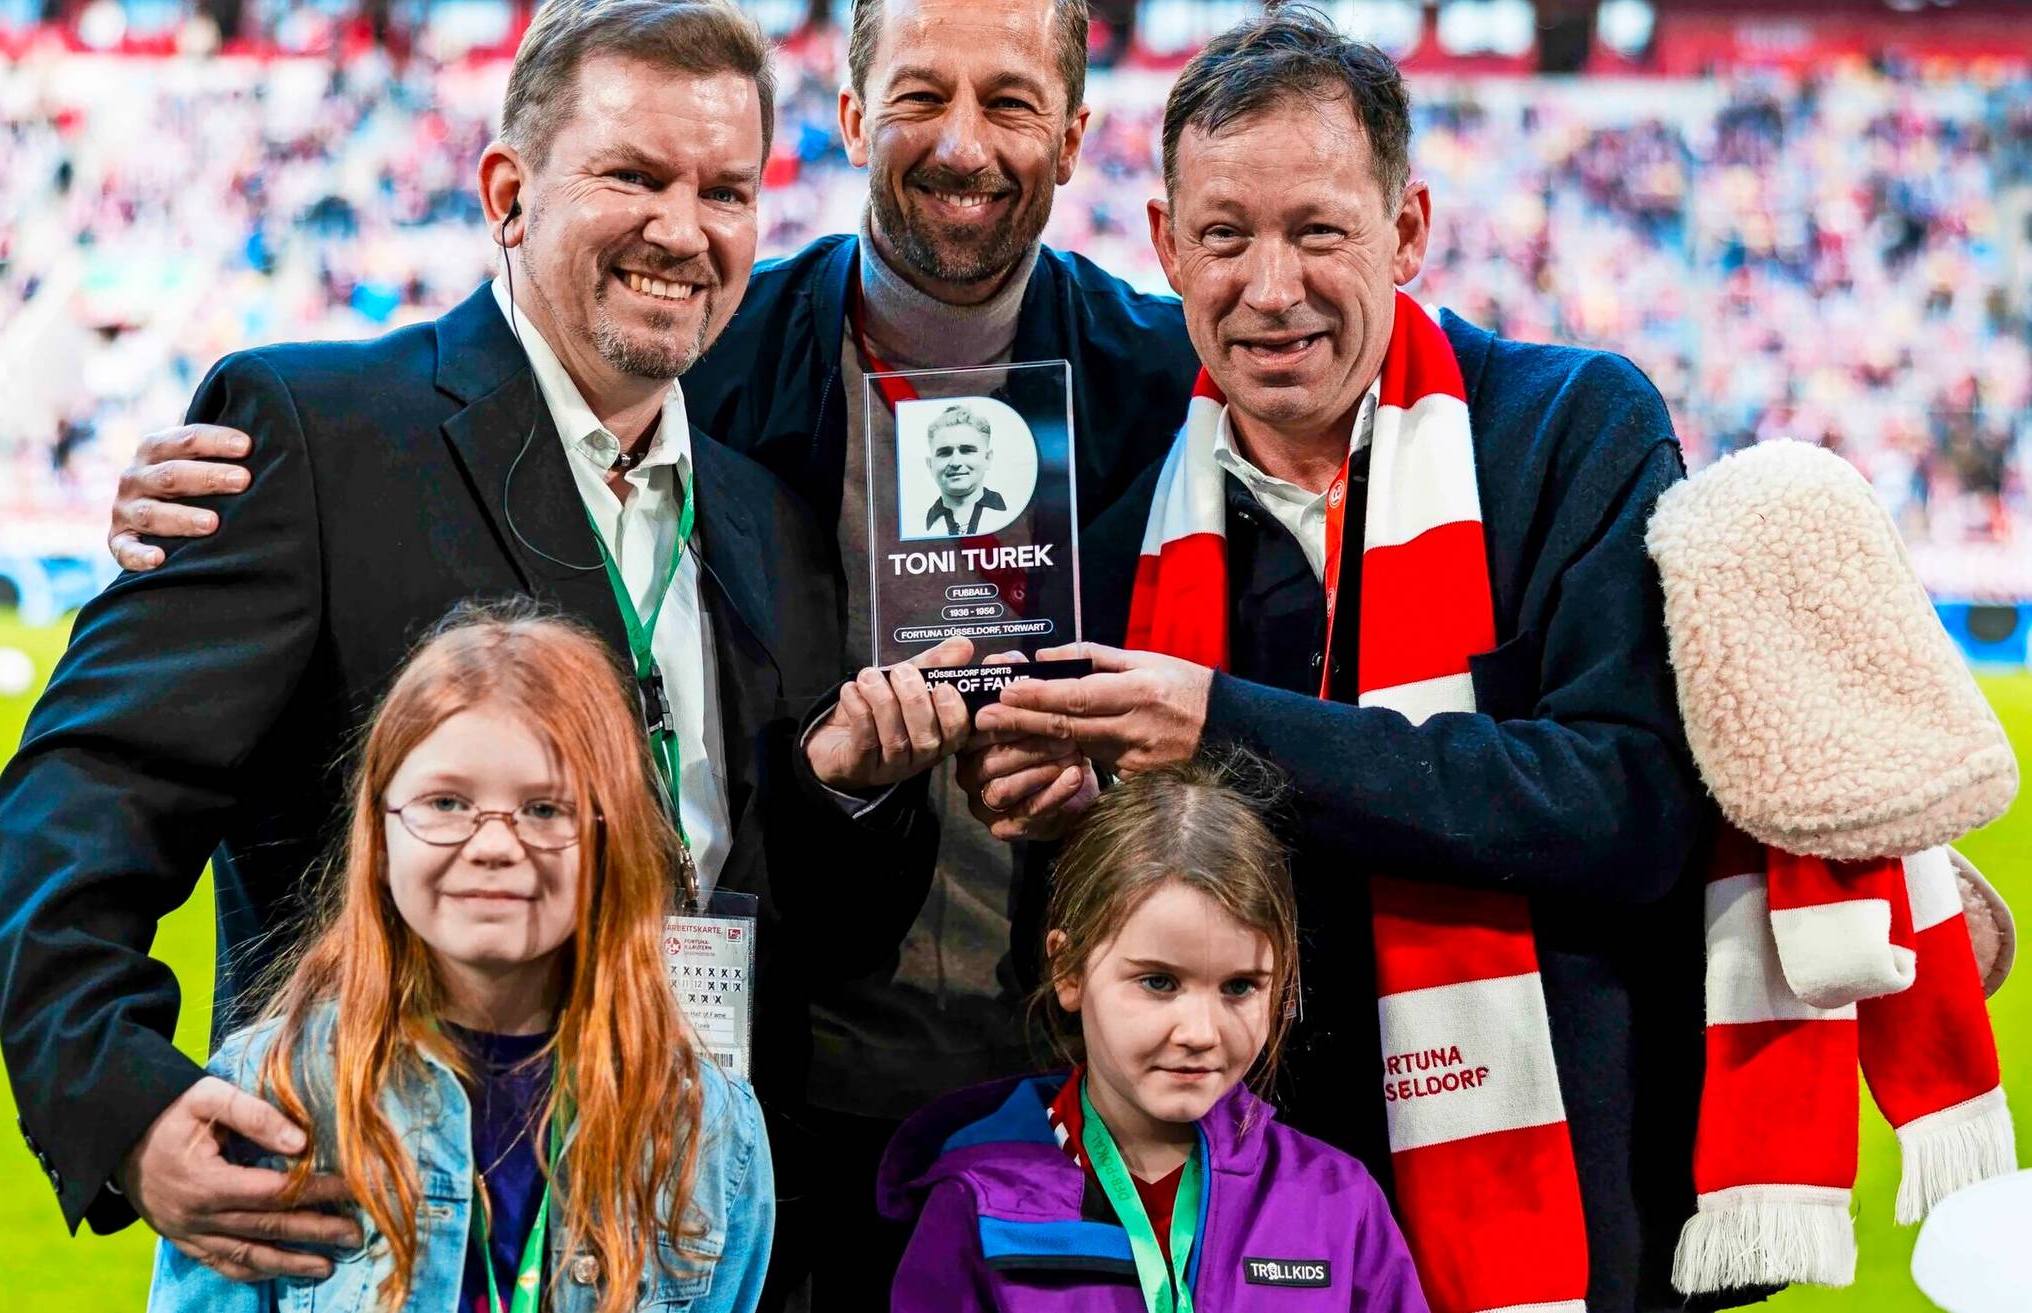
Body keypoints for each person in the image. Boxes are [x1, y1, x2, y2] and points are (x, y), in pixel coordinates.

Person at [102, 1, 1199, 1302]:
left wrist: (1096, 789)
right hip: (614, 1120)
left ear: (1077, 135)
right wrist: (122, 1103)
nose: (962, 141)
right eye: (919, 94)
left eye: (1010, 101)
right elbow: (476, 399)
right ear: (849, 118)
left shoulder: (1173, 378)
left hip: (1009, 1086)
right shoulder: (712, 345)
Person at [961, 12, 1723, 1313]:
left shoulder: (1571, 429)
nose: (1270, 286)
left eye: (1318, 231)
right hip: (1235, 1238)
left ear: (1407, 231)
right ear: (1163, 245)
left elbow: (1630, 807)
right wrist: (1083, 823)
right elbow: (1069, 945)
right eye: (1224, 236)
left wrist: (1218, 728)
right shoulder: (1114, 512)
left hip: (1556, 1235)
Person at [147, 607, 773, 1313]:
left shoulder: (707, 1124)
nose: (494, 844)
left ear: (612, 837)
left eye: (544, 808)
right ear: (380, 834)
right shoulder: (274, 1093)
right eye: (446, 801)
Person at [879, 755, 1430, 1312]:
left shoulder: (1339, 1200)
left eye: (1240, 987)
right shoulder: (977, 1203)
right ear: (1068, 971)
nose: (1199, 1032)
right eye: (1159, 982)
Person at [917, 404, 1012, 537]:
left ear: (987, 458)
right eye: (945, 453)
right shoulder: (917, 526)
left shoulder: (1013, 516)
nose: (955, 462)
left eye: (967, 450)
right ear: (930, 465)